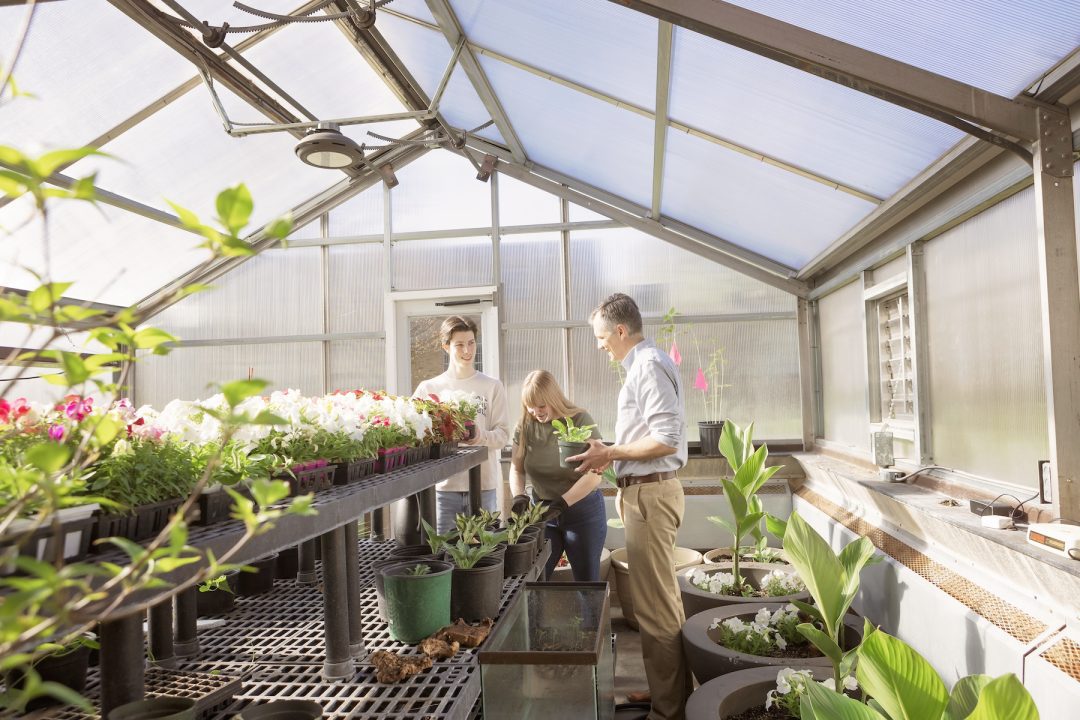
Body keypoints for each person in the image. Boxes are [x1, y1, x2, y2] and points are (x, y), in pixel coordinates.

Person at [569, 293, 690, 720]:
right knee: (658, 602)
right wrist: (610, 453)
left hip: (651, 495)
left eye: (602, 336)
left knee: (656, 607)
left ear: (621, 331)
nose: (600, 345)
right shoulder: (643, 365)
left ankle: (669, 711)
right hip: (643, 493)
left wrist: (610, 454)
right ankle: (666, 693)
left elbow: (665, 439)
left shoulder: (648, 365)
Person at [509, 370, 607, 581]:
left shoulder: (580, 419)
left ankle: (589, 616)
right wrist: (519, 496)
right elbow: (516, 468)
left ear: (553, 398)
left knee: (587, 582)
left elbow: (596, 473)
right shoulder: (525, 426)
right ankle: (538, 615)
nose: (536, 411)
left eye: (541, 405)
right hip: (543, 513)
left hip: (582, 511)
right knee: (535, 578)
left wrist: (563, 503)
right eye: (530, 405)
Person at [414, 315, 509, 534]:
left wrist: (480, 436)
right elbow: (414, 436)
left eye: (471, 343)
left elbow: (503, 434)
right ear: (445, 347)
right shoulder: (429, 389)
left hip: (483, 487)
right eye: (459, 345)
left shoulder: (491, 386)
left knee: (484, 554)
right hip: (444, 488)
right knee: (445, 553)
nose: (467, 350)